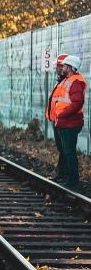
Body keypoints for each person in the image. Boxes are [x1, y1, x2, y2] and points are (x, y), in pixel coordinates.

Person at [47, 54, 86, 187]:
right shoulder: (66, 80)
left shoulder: (75, 82)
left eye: (64, 65)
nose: (61, 67)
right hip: (63, 122)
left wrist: (62, 114)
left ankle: (73, 181)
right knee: (65, 150)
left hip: (70, 122)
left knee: (69, 151)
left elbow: (77, 102)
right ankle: (63, 175)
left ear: (69, 67)